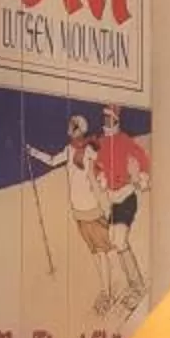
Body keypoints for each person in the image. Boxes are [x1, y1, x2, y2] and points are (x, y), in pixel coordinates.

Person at [23, 113, 118, 314]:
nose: (69, 130)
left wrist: (106, 201)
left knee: (102, 253)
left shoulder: (90, 150)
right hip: (79, 212)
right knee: (96, 253)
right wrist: (33, 152)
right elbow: (51, 160)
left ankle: (108, 293)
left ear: (77, 130)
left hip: (91, 209)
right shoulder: (68, 151)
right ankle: (105, 290)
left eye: (72, 127)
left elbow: (97, 176)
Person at [94, 103, 152, 317]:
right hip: (113, 201)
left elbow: (142, 157)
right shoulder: (101, 143)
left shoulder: (123, 140)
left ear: (116, 121)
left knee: (119, 241)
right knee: (115, 241)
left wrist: (144, 176)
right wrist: (100, 174)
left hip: (127, 197)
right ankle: (133, 283)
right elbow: (97, 164)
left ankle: (137, 286)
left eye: (110, 120)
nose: (106, 124)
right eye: (104, 120)